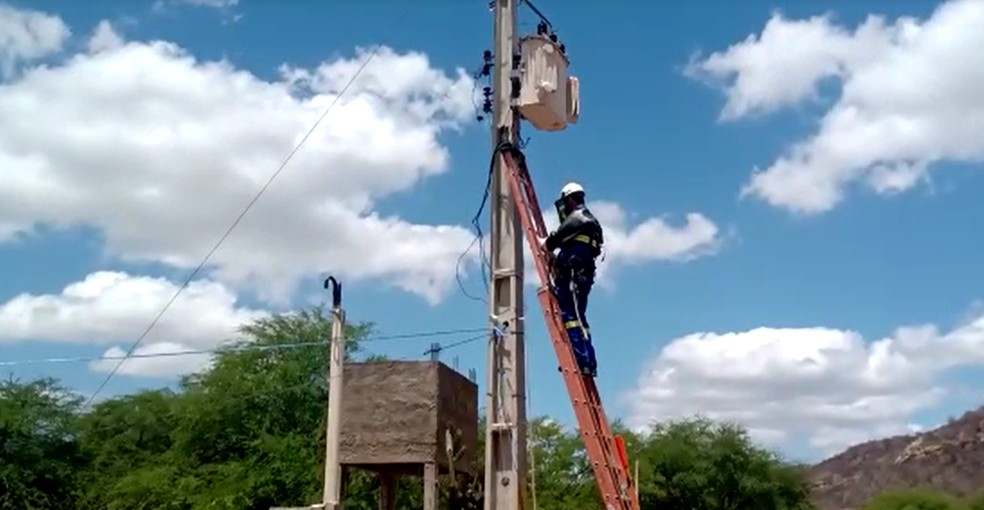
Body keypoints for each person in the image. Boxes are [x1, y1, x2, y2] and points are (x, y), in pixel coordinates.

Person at [539, 182, 604, 377]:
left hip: (573, 270)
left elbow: (553, 241)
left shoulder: (578, 218)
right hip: (584, 271)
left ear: (569, 199)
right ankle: (588, 361)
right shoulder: (590, 222)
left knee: (570, 316)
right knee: (579, 316)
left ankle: (582, 359)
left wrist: (545, 243)